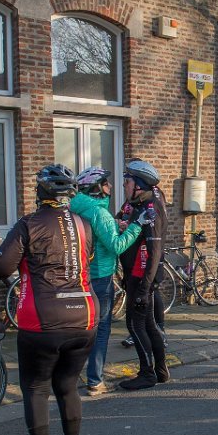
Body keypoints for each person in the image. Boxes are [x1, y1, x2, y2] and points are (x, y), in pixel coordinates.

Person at [0, 164, 98, 435]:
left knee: (36, 389)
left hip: (43, 320)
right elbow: (87, 260)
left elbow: (0, 267)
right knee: (68, 386)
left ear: (40, 192)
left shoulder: (29, 224)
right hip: (85, 316)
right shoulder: (84, 224)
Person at [70, 167, 144, 396]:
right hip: (100, 277)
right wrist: (136, 226)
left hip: (80, 276)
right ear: (96, 188)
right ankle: (95, 381)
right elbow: (116, 246)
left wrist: (114, 225)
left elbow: (95, 234)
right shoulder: (98, 212)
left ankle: (68, 378)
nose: (110, 186)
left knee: (79, 328)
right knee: (101, 329)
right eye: (105, 183)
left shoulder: (75, 208)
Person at [117, 159, 168, 391]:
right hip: (135, 275)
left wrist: (144, 288)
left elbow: (155, 252)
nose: (124, 185)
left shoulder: (150, 209)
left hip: (141, 277)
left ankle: (147, 373)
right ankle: (161, 370)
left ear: (139, 185)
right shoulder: (137, 203)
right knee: (148, 324)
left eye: (127, 181)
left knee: (134, 324)